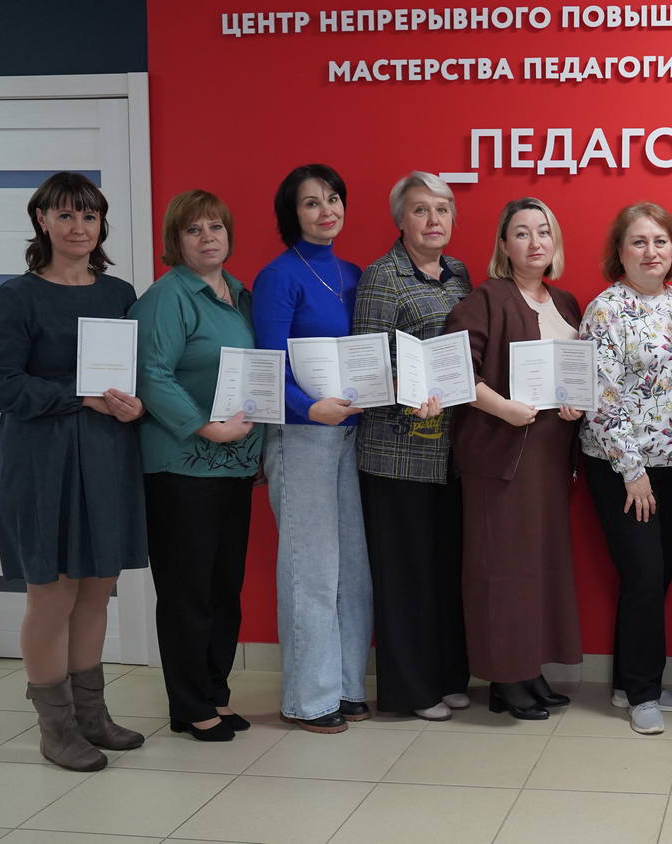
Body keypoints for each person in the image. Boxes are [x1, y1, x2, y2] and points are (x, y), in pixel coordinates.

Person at [0, 172, 147, 770]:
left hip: (105, 455)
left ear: (102, 225)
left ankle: (91, 717)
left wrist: (133, 405)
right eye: (67, 215)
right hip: (42, 459)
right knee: (52, 595)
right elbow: (2, 385)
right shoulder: (16, 296)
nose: (79, 228)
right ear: (42, 220)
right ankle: (55, 728)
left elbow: (134, 374)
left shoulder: (120, 293)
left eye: (90, 216)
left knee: (97, 590)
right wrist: (79, 397)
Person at [131, 189, 261, 742]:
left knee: (223, 588)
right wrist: (206, 426)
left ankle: (215, 693)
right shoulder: (167, 298)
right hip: (181, 468)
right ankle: (189, 705)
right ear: (176, 240)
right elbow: (151, 374)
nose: (208, 237)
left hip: (234, 467)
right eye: (194, 229)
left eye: (216, 227)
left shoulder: (240, 294)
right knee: (187, 591)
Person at [447, 197, 584, 721]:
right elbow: (455, 371)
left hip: (550, 456)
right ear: (504, 245)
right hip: (502, 457)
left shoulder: (565, 301)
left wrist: (576, 404)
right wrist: (503, 408)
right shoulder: (487, 299)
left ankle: (529, 669)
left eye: (543, 231)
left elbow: (577, 371)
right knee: (501, 569)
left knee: (537, 567)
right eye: (522, 233)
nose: (534, 242)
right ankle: (504, 678)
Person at [251, 164, 372, 734]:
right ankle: (309, 698)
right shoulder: (278, 277)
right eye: (311, 203)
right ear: (291, 214)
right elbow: (268, 369)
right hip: (301, 436)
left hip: (350, 432)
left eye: (333, 199)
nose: (326, 211)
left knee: (352, 567)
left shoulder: (352, 273)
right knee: (312, 569)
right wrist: (307, 409)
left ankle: (347, 686)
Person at [578, 203, 672, 734]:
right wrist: (632, 470)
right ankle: (642, 692)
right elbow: (600, 397)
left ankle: (630, 682)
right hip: (622, 467)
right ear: (620, 252)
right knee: (645, 575)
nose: (651, 252)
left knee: (657, 575)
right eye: (639, 242)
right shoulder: (605, 310)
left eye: (660, 241)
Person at [352, 171, 472, 720]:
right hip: (397, 451)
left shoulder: (459, 274)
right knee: (405, 576)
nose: (433, 220)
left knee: (444, 570)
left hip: (450, 451)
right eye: (421, 210)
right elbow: (367, 364)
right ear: (400, 219)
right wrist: (410, 392)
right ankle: (410, 690)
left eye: (442, 209)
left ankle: (447, 676)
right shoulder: (382, 276)